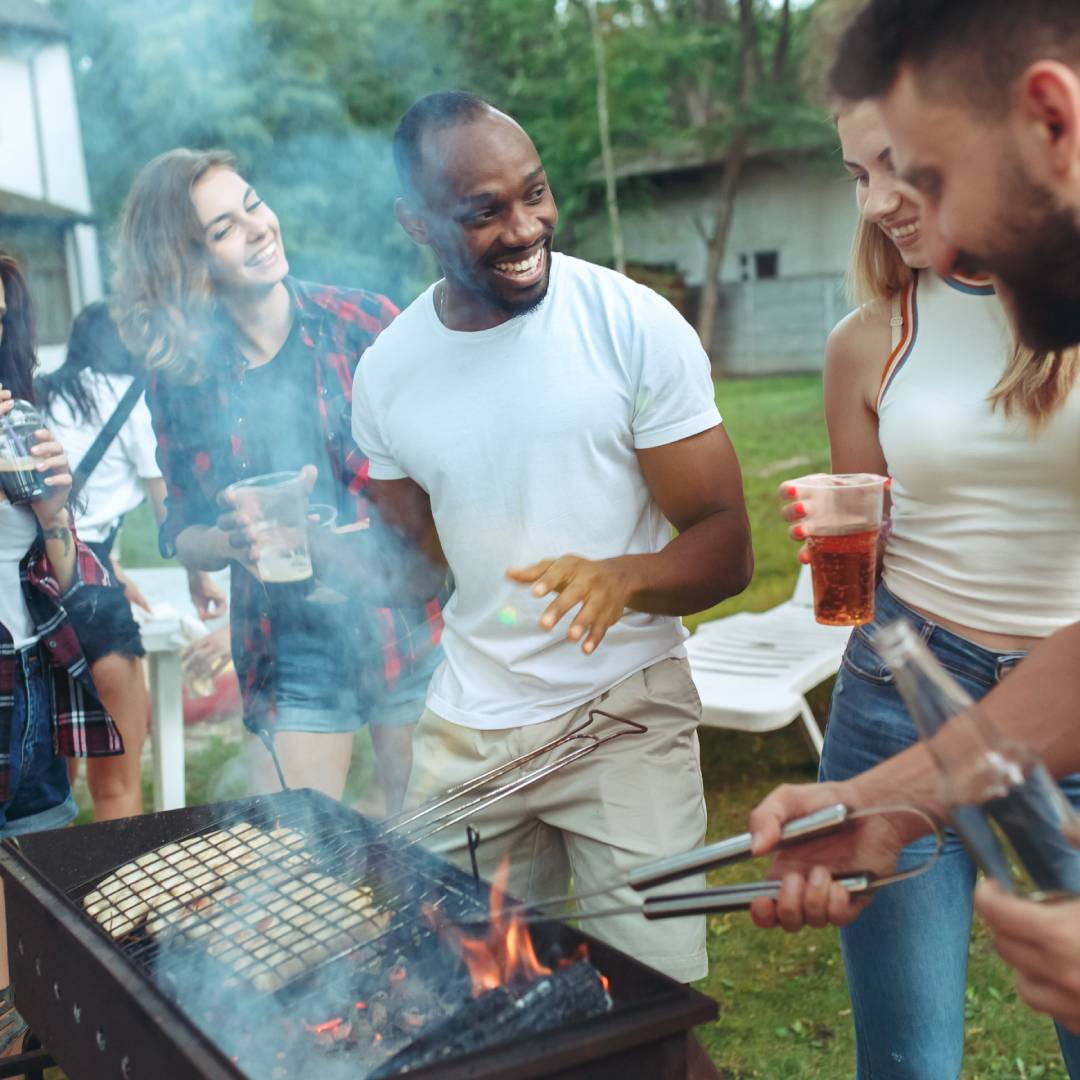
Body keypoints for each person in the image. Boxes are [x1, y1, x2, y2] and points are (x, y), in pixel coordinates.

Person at [350, 91, 752, 1076]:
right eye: (483, 210)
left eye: (533, 195)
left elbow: (726, 545)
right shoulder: (389, 372)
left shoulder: (629, 324)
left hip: (623, 712)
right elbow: (419, 570)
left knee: (652, 1029)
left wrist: (623, 578)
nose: (524, 227)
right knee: (467, 1011)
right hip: (473, 727)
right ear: (417, 224)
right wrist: (339, 557)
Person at [745, 0, 1080, 1050]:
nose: (894, 207)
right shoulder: (879, 334)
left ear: (1050, 122)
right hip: (915, 678)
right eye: (868, 177)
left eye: (924, 171)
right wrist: (886, 799)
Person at [111, 149, 443, 808]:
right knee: (296, 854)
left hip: (403, 622)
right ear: (190, 262)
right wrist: (232, 542)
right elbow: (182, 530)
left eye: (254, 205)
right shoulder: (182, 378)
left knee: (426, 843)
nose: (258, 227)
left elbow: (444, 471)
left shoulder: (364, 324)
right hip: (290, 643)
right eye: (223, 229)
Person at [37, 301, 226, 820]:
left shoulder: (43, 396)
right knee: (116, 788)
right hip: (91, 600)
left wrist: (113, 566)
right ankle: (116, 900)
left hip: (31, 592)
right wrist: (199, 578)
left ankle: (43, 897)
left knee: (49, 791)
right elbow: (170, 507)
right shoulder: (133, 398)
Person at [0, 249, 122, 1051]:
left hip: (27, 681)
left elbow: (65, 570)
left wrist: (54, 509)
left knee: (36, 905)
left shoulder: (22, 416)